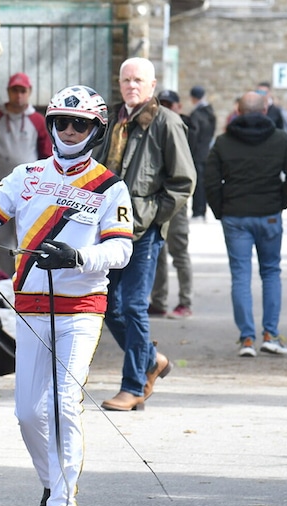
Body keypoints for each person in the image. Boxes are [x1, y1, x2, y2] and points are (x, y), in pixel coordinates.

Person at [0, 85, 133, 506]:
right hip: (29, 310)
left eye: (79, 124)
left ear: (95, 130)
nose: (69, 130)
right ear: (49, 125)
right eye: (61, 122)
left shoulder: (110, 187)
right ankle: (52, 484)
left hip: (80, 311)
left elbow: (121, 251)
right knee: (28, 414)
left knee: (64, 403)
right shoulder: (27, 175)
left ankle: (64, 503)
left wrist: (79, 257)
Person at [93, 57, 195, 412]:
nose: (132, 86)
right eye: (126, 80)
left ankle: (134, 386)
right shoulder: (115, 121)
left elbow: (183, 183)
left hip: (143, 232)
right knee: (109, 307)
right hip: (110, 230)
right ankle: (152, 359)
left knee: (135, 306)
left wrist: (150, 217)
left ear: (152, 86)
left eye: (139, 80)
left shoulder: (167, 123)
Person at [205, 91, 287, 357]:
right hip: (269, 214)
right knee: (270, 272)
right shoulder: (280, 139)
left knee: (240, 276)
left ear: (237, 110)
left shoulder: (224, 142)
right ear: (264, 110)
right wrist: (280, 201)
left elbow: (210, 180)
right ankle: (270, 334)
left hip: (235, 216)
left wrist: (220, 210)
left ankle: (247, 339)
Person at [0, 72, 53, 275]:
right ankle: (3, 280)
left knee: (27, 238)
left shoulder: (37, 120)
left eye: (22, 91)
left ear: (29, 93)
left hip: (29, 193)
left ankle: (25, 280)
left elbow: (47, 155)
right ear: (8, 91)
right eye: (14, 90)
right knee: (1, 240)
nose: (18, 95)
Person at [148, 90, 194, 319]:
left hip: (176, 200)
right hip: (156, 198)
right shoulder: (151, 127)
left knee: (179, 251)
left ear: (178, 106)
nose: (165, 108)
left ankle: (185, 301)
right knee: (157, 252)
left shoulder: (184, 128)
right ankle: (159, 300)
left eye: (169, 104)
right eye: (161, 103)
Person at [187, 85, 216, 220]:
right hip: (206, 151)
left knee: (197, 183)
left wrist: (189, 151)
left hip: (197, 152)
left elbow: (193, 135)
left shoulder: (196, 115)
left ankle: (197, 211)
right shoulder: (210, 113)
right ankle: (202, 211)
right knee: (203, 183)